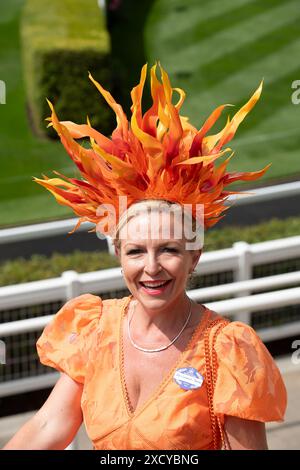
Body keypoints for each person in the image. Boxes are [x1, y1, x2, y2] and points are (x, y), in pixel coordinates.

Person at [2, 63, 287, 450]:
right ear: (119, 254)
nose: (150, 268)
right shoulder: (95, 328)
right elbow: (48, 427)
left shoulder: (226, 349)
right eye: (136, 251)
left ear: (194, 255)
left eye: (168, 249)